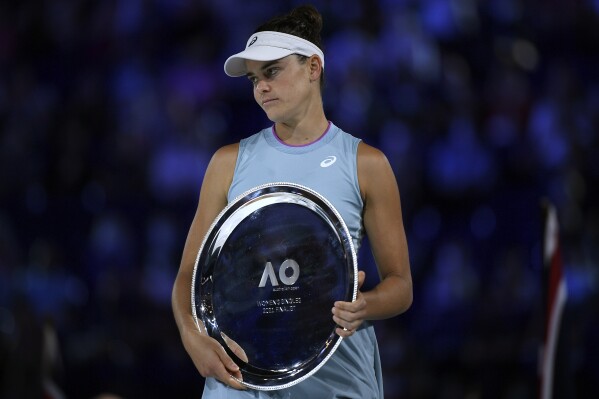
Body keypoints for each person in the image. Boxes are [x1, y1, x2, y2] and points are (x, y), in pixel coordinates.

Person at [171, 4, 413, 398]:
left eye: (272, 72)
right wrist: (192, 336)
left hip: (335, 378)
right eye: (254, 79)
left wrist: (364, 306)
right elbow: (189, 276)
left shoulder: (367, 164)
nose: (260, 87)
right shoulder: (227, 163)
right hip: (240, 378)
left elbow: (401, 287)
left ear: (313, 67)